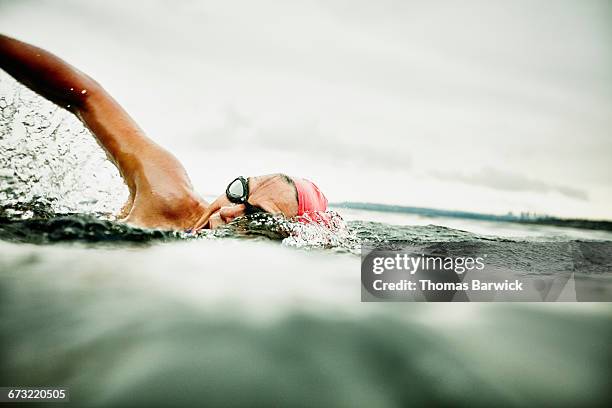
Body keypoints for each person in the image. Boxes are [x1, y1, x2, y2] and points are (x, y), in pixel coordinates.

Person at [0, 33, 328, 230]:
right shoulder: (166, 194)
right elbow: (86, 96)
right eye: (240, 190)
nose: (229, 210)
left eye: (256, 216)